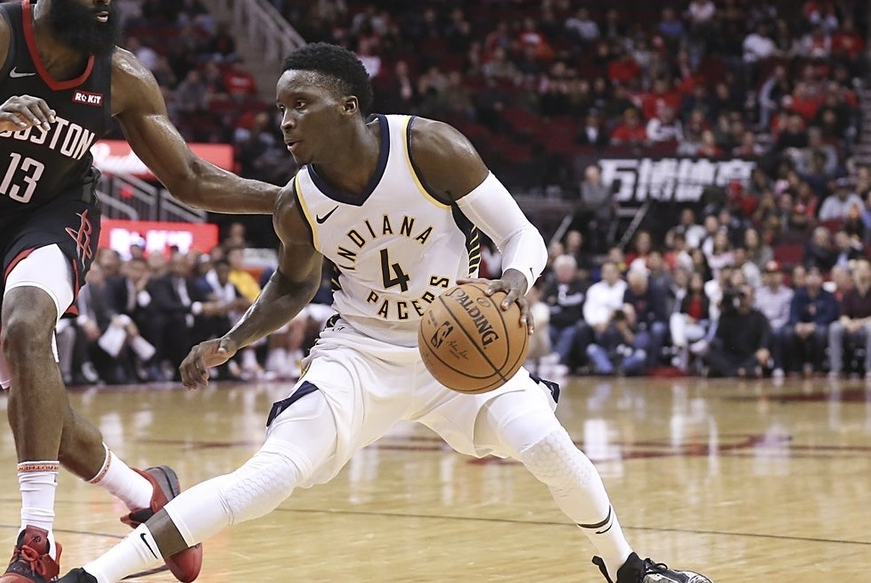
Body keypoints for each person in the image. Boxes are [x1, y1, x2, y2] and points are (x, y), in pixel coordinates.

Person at [58, 43, 711, 583]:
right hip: (360, 355)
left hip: (459, 343)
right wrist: (229, 340)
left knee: (544, 441)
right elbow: (292, 286)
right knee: (269, 476)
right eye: (279, 109)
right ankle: (90, 577)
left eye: (299, 105)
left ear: (348, 106)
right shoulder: (297, 203)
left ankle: (630, 568)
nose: (284, 121)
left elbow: (522, 236)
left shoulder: (429, 147)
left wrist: (515, 280)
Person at [0, 0, 278, 583]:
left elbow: (190, 178)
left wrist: (285, 200)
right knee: (48, 417)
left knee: (26, 322)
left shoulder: (122, 76)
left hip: (57, 214)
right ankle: (147, 494)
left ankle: (36, 542)